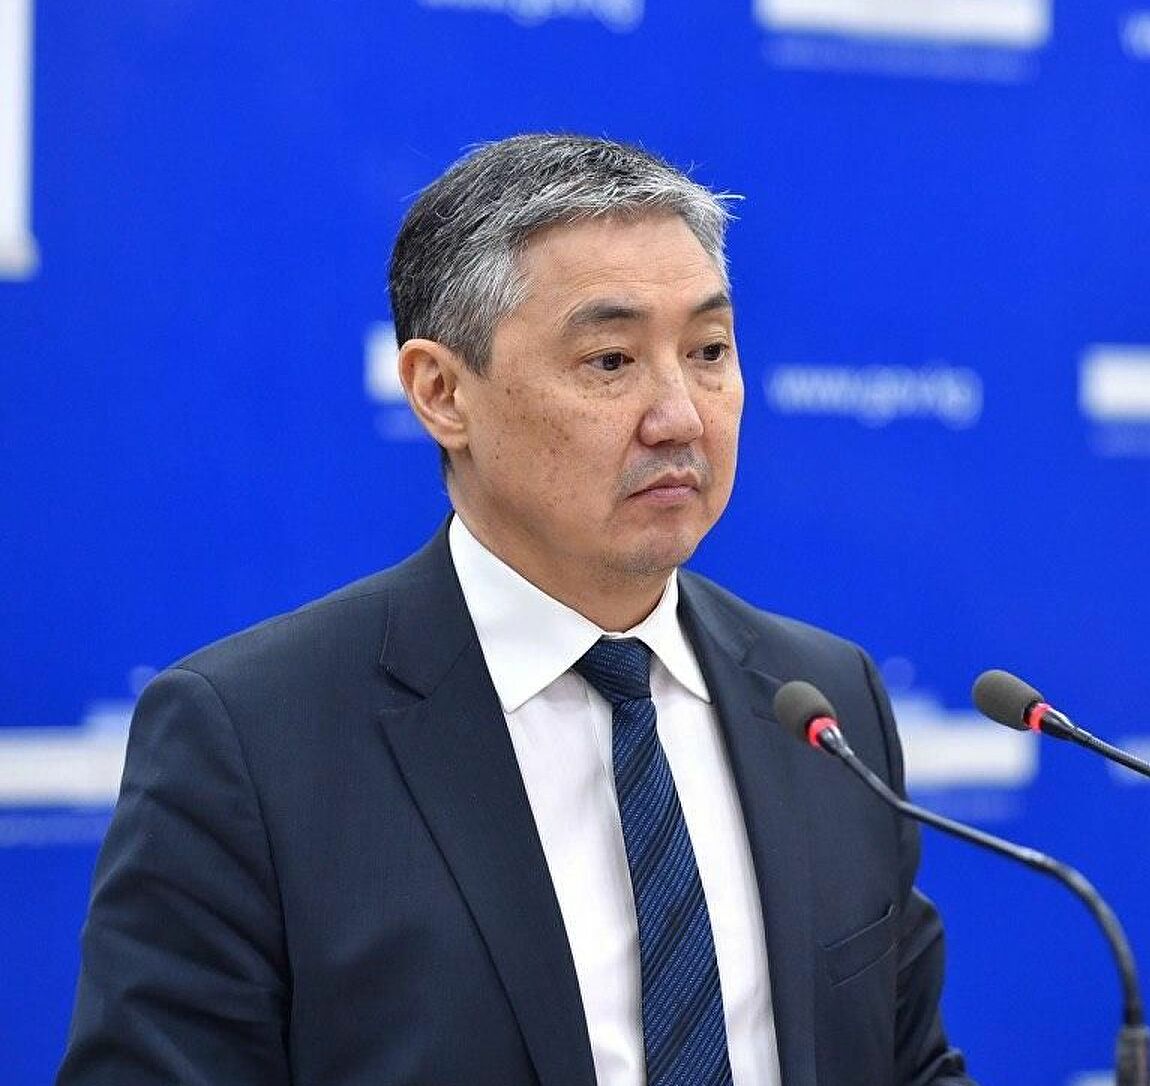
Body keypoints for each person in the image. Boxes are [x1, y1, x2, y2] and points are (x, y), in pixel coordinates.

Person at [59, 134, 975, 1086]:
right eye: (611, 360)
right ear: (441, 393)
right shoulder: (251, 741)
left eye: (709, 351)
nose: (681, 416)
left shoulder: (822, 700)